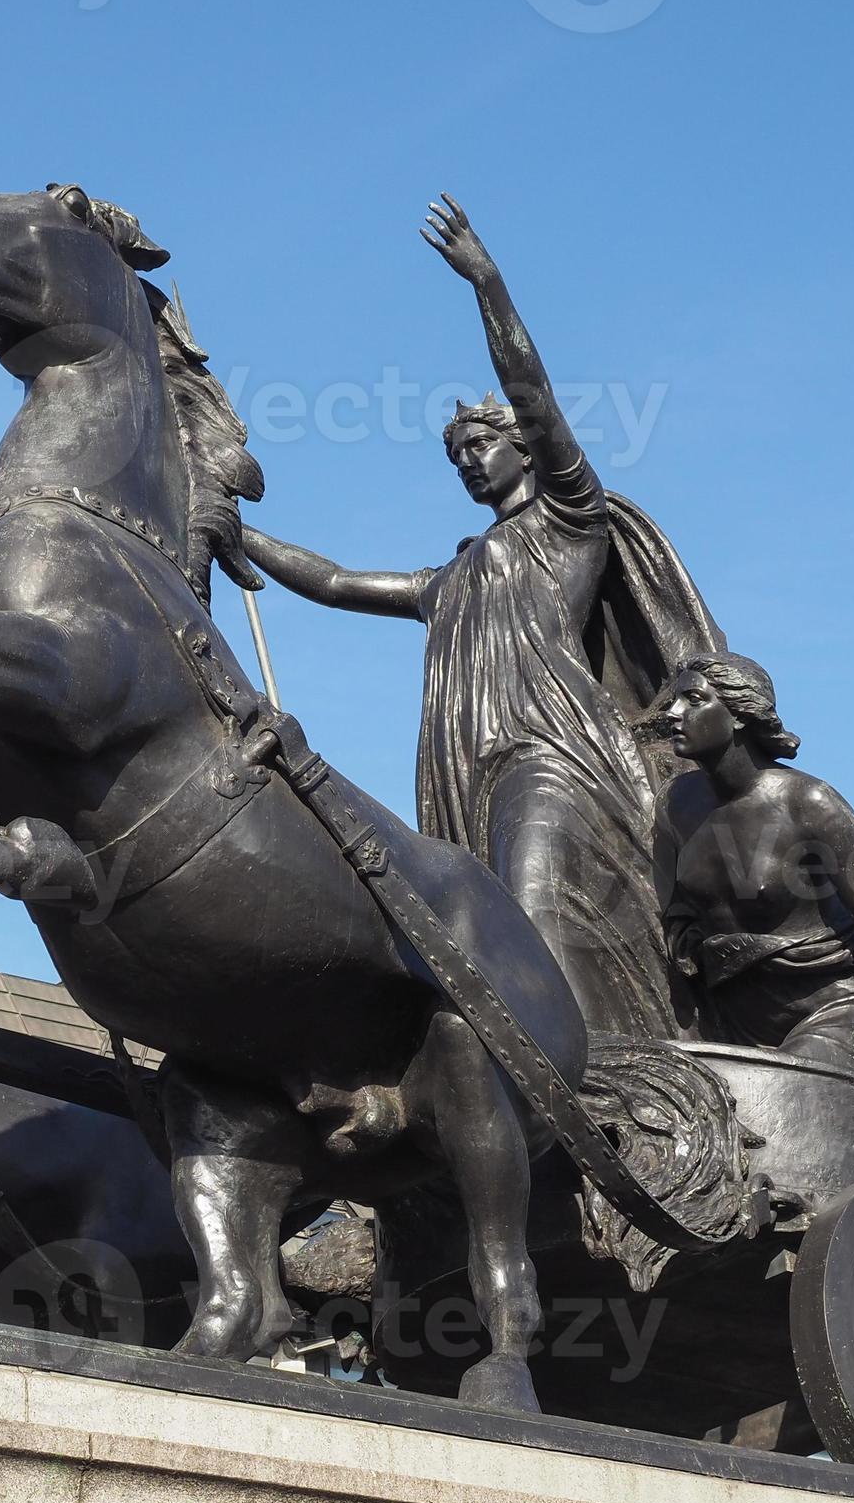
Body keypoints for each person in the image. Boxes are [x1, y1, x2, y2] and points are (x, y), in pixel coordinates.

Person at [240, 195, 721, 1040]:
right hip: (462, 765)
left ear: (522, 450)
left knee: (531, 906)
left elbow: (530, 391)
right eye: (454, 455)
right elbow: (337, 581)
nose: (466, 462)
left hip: (553, 748)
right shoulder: (451, 578)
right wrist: (229, 528)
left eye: (479, 446)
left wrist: (486, 284)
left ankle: (594, 1077)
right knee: (475, 930)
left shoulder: (572, 519)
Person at [653, 653, 854, 1126]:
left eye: (693, 699)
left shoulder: (809, 802)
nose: (672, 713)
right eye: (674, 699)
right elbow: (675, 913)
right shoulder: (676, 804)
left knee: (784, 1105)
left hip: (838, 1011)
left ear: (740, 714)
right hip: (739, 1021)